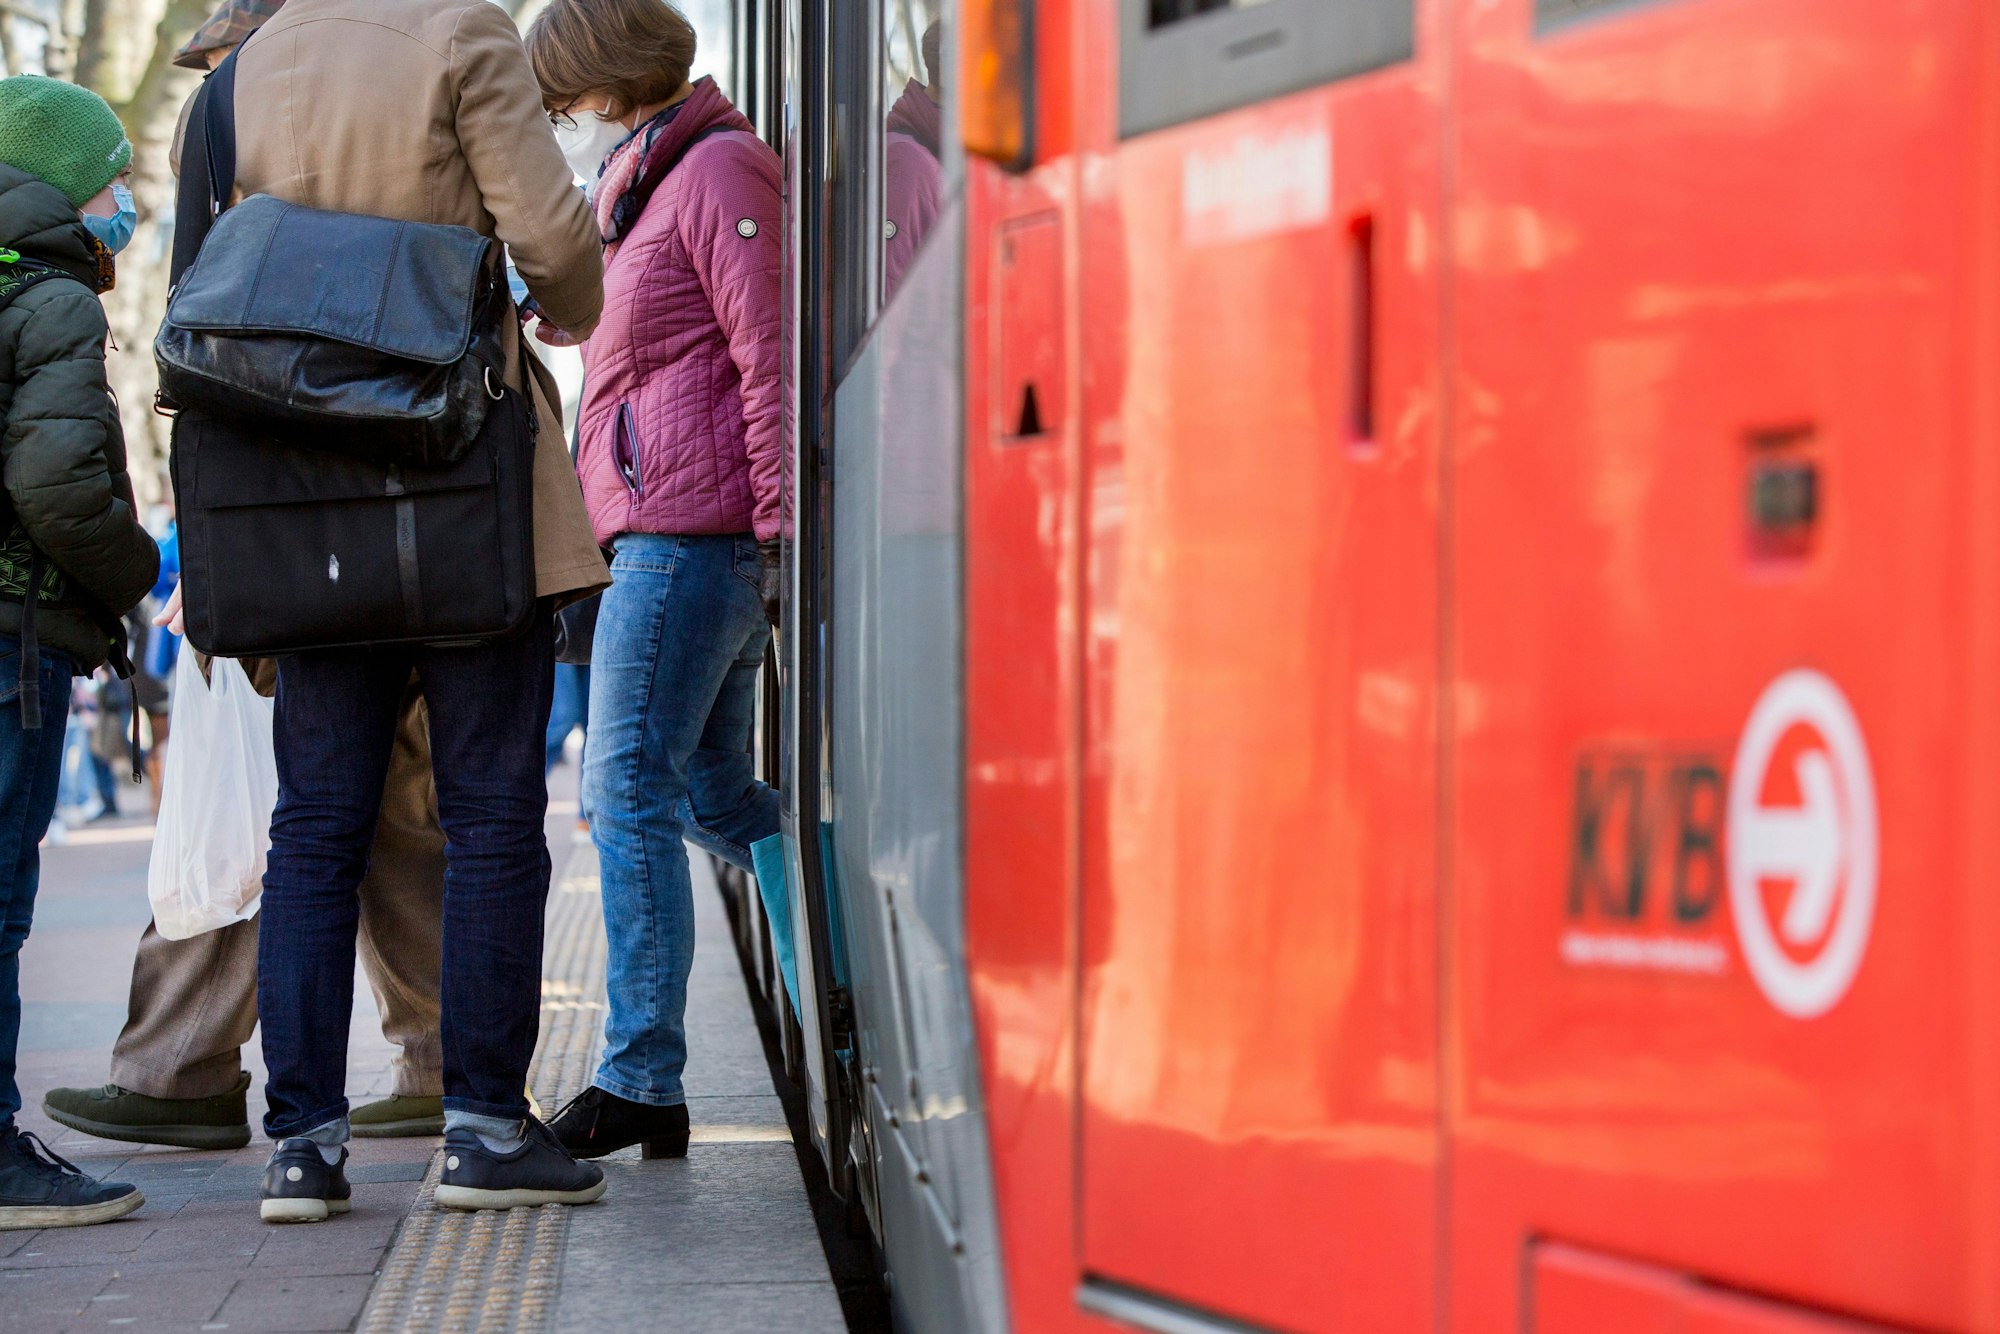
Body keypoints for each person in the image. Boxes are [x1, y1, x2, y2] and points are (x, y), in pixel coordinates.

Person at [189, 0, 612, 1224]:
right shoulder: (462, 31)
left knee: (315, 825)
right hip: (455, 473)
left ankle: (301, 1148)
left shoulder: (242, 67)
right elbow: (551, 237)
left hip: (301, 495)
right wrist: (563, 305)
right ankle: (482, 1129)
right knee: (489, 813)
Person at [41, 0, 456, 1155]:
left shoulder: (255, 147)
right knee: (378, 804)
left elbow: (222, 361)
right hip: (396, 523)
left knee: (290, 807)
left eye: (226, 61)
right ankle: (434, 1054)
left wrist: (217, 551)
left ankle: (190, 1071)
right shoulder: (389, 133)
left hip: (302, 530)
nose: (217, 86)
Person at [525, 0, 785, 1161]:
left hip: (692, 535)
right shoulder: (643, 187)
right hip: (669, 530)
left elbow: (768, 354)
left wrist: (774, 532)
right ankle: (843, 934)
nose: (560, 123)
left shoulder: (716, 169)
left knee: (623, 788)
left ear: (605, 81)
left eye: (561, 103)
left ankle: (639, 1078)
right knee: (708, 793)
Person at [0, 74, 162, 1225]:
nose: (123, 205)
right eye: (114, 182)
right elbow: (58, 485)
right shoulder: (51, 294)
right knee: (0, 901)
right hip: (11, 635)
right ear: (65, 187)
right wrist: (136, 569)